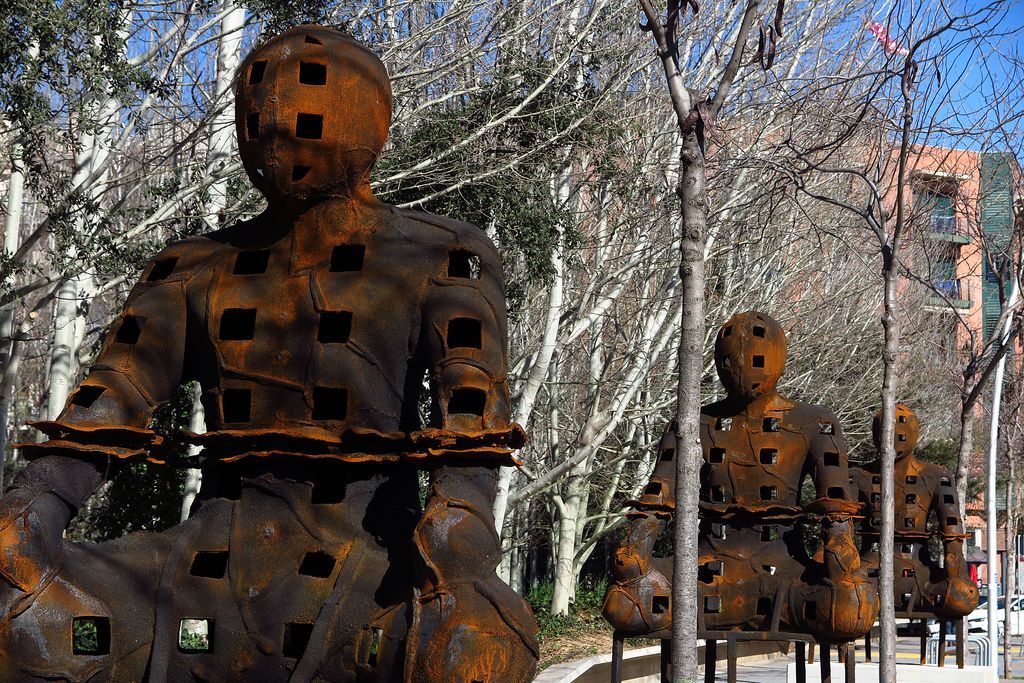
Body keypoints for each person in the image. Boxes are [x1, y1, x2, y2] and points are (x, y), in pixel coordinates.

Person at [0, 24, 537, 682]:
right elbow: (113, 394)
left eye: (305, 108)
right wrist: (35, 505)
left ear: (369, 120)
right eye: (260, 109)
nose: (278, 125)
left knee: (473, 651)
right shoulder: (191, 266)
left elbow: (471, 416)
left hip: (366, 559)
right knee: (26, 619)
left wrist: (459, 554)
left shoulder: (443, 253)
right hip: (199, 568)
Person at [604, 311, 877, 641]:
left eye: (757, 356)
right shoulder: (694, 423)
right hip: (706, 565)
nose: (744, 365)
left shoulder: (814, 422)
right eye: (732, 359)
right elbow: (659, 494)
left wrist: (840, 560)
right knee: (624, 605)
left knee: (852, 608)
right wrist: (634, 554)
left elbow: (836, 508)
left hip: (784, 569)